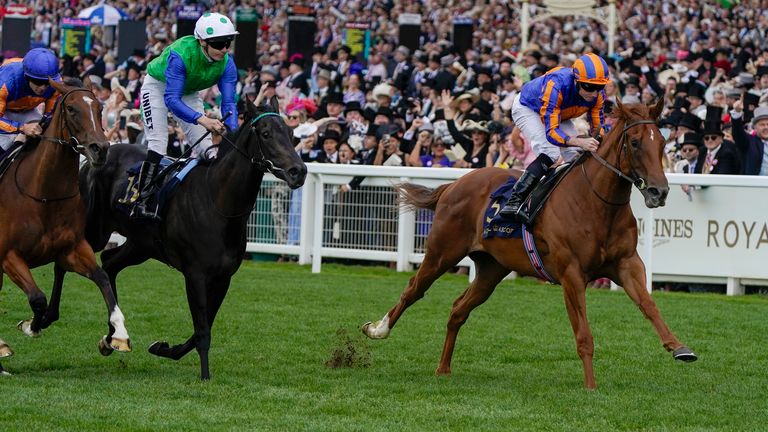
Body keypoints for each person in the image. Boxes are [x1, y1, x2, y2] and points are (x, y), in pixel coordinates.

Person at [131, 11, 239, 219]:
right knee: (159, 142)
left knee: (209, 149)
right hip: (158, 87)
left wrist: (233, 132)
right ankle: (140, 200)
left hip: (188, 92)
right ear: (201, 42)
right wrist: (204, 119)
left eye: (228, 42)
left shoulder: (227, 62)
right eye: (218, 44)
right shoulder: (180, 54)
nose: (224, 49)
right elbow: (171, 99)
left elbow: (228, 103)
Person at [499, 53, 609, 222]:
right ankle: (515, 201)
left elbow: (598, 128)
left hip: (560, 113)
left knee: (574, 155)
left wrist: (599, 141)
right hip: (529, 108)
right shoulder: (556, 85)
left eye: (599, 87)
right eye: (588, 86)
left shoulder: (598, 95)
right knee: (551, 152)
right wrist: (579, 141)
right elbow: (551, 134)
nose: (594, 93)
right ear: (576, 80)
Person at [0, 48, 61, 159]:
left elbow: (51, 115)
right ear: (26, 76)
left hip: (29, 110)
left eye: (47, 83)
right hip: (4, 112)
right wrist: (21, 128)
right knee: (5, 143)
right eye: (38, 82)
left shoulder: (56, 84)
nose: (43, 88)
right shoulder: (6, 82)